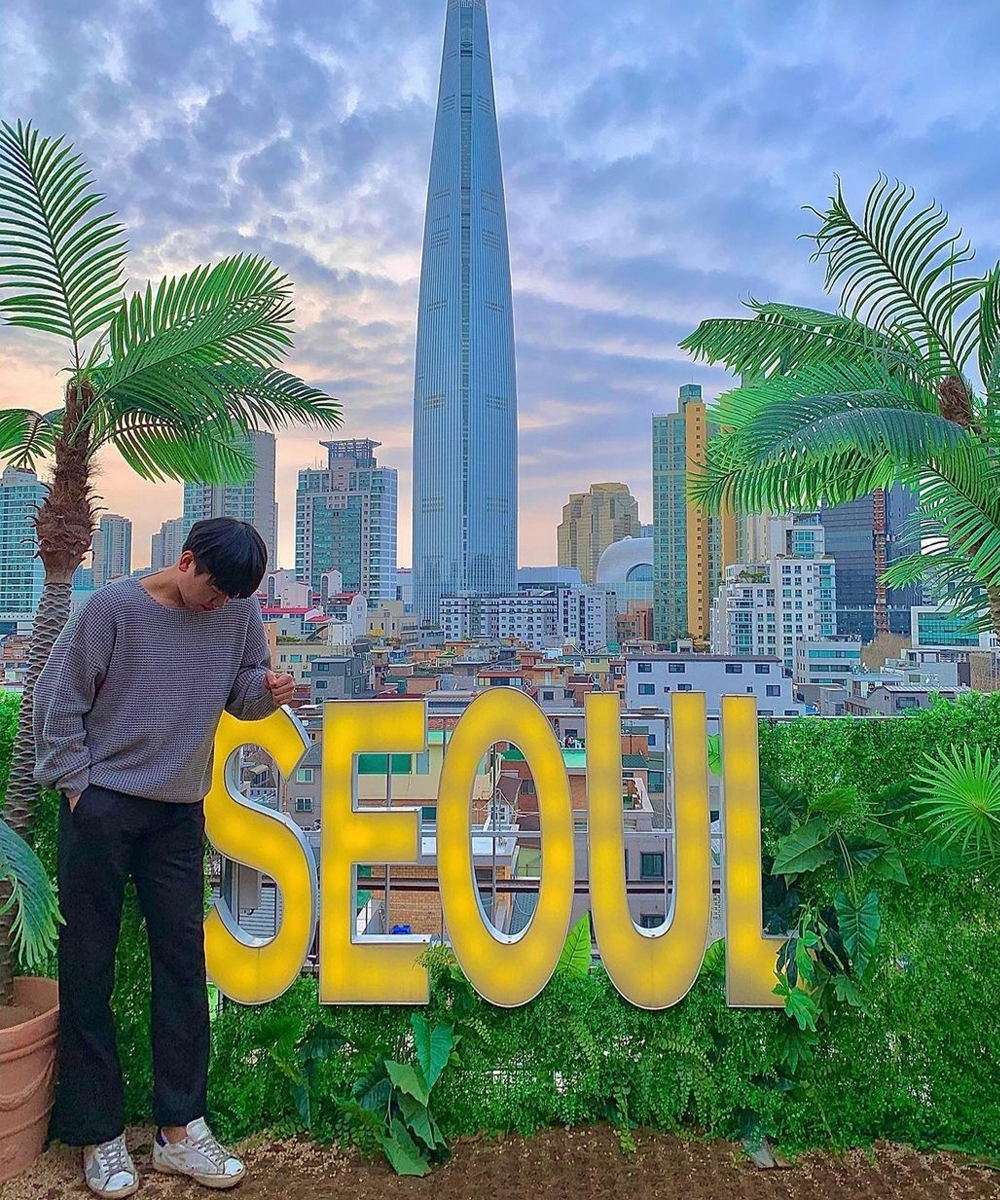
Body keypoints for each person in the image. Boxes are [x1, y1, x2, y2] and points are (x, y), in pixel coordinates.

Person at [33, 518, 296, 1197]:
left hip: (180, 811)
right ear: (184, 562)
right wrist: (76, 790)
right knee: (87, 965)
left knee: (182, 965)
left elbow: (237, 689)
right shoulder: (113, 608)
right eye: (213, 591)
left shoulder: (237, 609)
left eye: (234, 598)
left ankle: (181, 1131)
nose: (220, 607)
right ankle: (100, 1135)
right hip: (104, 806)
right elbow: (58, 700)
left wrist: (266, 692)